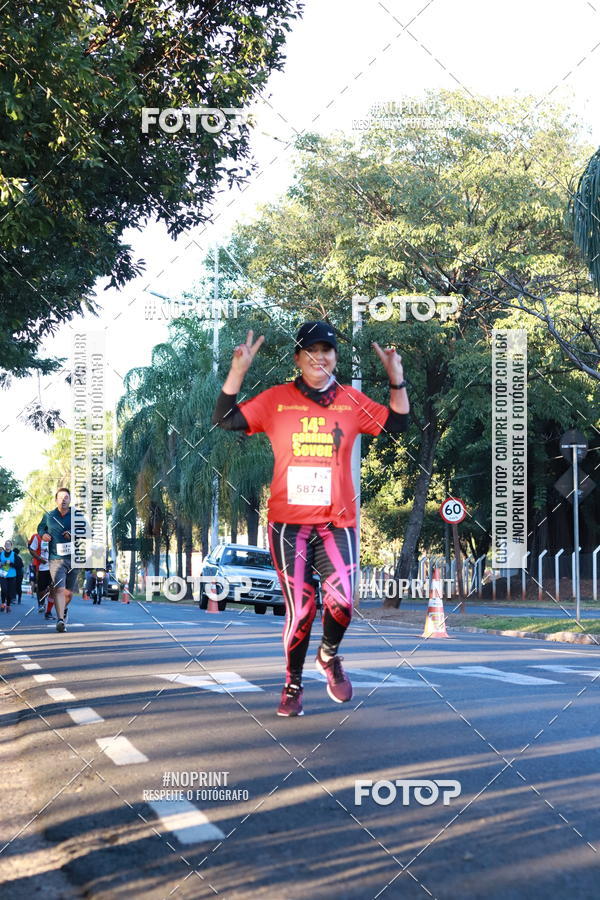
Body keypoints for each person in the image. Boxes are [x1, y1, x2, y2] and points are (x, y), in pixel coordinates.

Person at [212, 321, 409, 716]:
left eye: (328, 350)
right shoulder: (275, 400)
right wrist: (237, 372)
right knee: (301, 610)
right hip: (289, 525)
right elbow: (225, 420)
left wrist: (396, 379)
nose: (320, 357)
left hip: (337, 523)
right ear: (298, 358)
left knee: (342, 604)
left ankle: (329, 654)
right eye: (311, 351)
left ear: (335, 357)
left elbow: (398, 424)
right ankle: (292, 685)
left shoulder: (351, 400)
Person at [37, 488, 78, 633]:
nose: (63, 500)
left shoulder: (77, 515)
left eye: (66, 497)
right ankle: (60, 620)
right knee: (59, 589)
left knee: (68, 592)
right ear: (56, 500)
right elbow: (40, 528)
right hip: (55, 559)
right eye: (60, 497)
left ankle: (64, 609)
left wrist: (73, 534)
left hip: (74, 559)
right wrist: (44, 535)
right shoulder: (49, 515)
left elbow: (88, 531)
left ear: (70, 499)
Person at [28, 532, 54, 617]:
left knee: (53, 588)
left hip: (55, 566)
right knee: (41, 588)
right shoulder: (37, 536)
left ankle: (48, 612)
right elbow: (31, 549)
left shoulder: (57, 534)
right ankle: (41, 603)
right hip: (42, 566)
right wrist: (39, 558)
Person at [0, 540, 17, 612]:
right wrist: (1, 563)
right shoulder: (1, 554)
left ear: (11, 545)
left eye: (9, 544)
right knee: (4, 589)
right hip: (3, 575)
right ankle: (3, 603)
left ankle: (8, 605)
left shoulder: (14, 554)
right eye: (6, 544)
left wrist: (11, 563)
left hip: (12, 575)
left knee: (9, 591)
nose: (7, 545)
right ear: (4, 545)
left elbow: (19, 565)